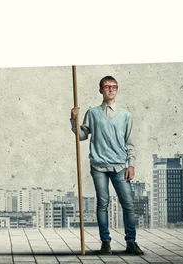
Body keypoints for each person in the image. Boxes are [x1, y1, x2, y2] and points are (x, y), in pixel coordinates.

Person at [70, 75, 144, 255]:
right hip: (98, 166)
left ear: (117, 89)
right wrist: (73, 120)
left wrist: (131, 164)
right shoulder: (92, 113)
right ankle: (105, 242)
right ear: (100, 90)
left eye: (114, 87)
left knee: (128, 204)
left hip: (120, 166)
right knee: (102, 204)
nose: (110, 89)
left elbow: (130, 142)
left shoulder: (125, 115)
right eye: (106, 86)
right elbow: (81, 136)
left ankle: (131, 242)